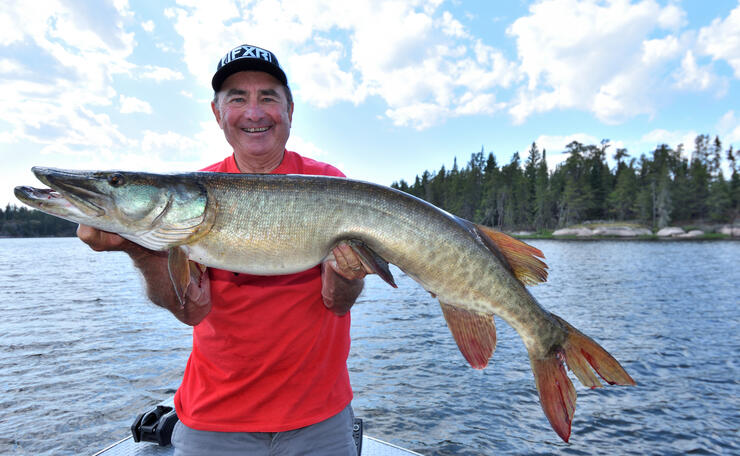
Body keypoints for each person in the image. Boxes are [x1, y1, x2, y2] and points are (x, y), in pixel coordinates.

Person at [77, 44, 372, 456]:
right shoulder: (195, 195)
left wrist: (347, 274)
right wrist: (143, 250)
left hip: (318, 418)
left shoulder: (330, 183)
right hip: (216, 419)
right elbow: (190, 311)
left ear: (290, 110)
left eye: (268, 97)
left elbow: (337, 305)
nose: (254, 112)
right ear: (218, 114)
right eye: (238, 98)